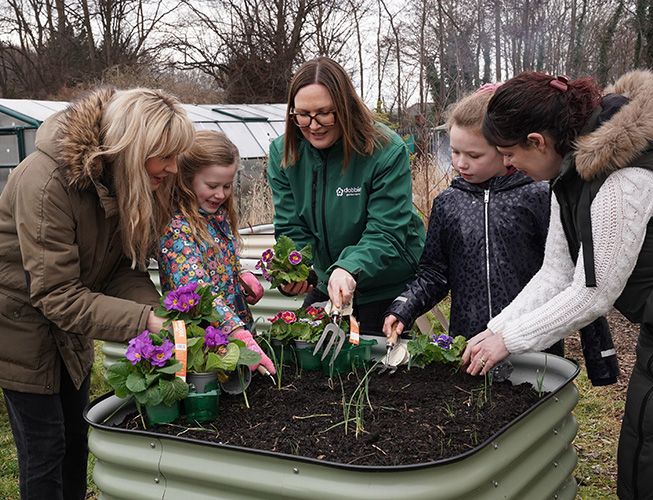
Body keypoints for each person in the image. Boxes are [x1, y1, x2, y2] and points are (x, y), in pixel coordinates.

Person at [461, 70, 653, 499]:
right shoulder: (570, 175)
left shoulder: (622, 181)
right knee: (646, 451)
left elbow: (593, 292)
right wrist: (496, 329)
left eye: (509, 153)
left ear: (537, 141)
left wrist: (509, 341)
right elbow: (556, 272)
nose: (507, 165)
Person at [0, 87, 196, 499]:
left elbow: (120, 271)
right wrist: (145, 320)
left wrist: (155, 312)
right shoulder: (48, 180)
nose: (173, 168)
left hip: (66, 318)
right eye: (165, 156)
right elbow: (57, 294)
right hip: (13, 320)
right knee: (45, 448)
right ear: (132, 148)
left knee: (75, 437)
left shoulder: (122, 182)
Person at [382, 85, 552, 345]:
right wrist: (404, 307)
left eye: (474, 155)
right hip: (468, 343)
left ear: (504, 148)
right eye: (455, 152)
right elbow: (433, 273)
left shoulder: (538, 195)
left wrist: (600, 358)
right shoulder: (448, 203)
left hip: (531, 340)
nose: (461, 163)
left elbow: (564, 272)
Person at [267, 56, 425, 333]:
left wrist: (349, 267)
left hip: (386, 282)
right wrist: (299, 271)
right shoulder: (284, 153)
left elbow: (386, 231)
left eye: (325, 113)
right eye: (303, 114)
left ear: (345, 107)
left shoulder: (385, 150)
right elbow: (291, 227)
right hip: (332, 280)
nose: (313, 125)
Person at [158, 130, 275, 374]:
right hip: (201, 342)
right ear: (186, 179)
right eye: (212, 185)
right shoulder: (177, 228)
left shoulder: (216, 217)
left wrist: (238, 275)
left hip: (231, 330)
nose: (221, 194)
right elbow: (196, 286)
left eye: (227, 186)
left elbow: (217, 262)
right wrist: (236, 331)